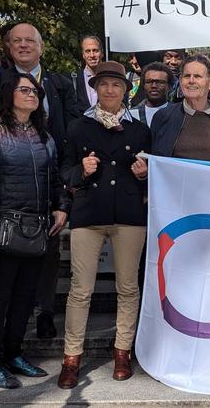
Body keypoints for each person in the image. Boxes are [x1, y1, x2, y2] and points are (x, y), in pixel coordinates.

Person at [0, 22, 80, 339]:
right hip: (6, 197)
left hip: (49, 180)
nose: (23, 45)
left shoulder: (60, 83)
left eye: (30, 41)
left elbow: (73, 129)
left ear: (41, 47)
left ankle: (44, 311)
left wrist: (65, 191)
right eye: (17, 41)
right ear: (9, 47)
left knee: (48, 253)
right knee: (5, 277)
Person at [0, 72, 69, 389]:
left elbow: (54, 178)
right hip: (4, 228)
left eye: (34, 91)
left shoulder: (44, 136)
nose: (30, 94)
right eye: (23, 89)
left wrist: (61, 205)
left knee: (25, 296)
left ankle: (14, 353)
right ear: (8, 94)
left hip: (37, 228)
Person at [57, 61, 151, 388]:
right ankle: (71, 357)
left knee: (128, 287)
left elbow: (154, 175)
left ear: (126, 90)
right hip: (88, 213)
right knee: (80, 289)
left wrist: (145, 175)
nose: (110, 90)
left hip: (128, 214)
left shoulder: (140, 131)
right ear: (95, 88)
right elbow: (64, 172)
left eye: (116, 85)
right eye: (104, 84)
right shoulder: (77, 127)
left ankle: (122, 351)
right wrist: (81, 171)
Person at [150, 54, 210, 162]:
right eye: (187, 76)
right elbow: (154, 161)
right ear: (180, 81)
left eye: (197, 76)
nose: (191, 81)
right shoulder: (163, 117)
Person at [129, 61, 173, 126]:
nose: (154, 86)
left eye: (160, 82)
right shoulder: (131, 115)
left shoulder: (179, 114)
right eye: (149, 82)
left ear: (169, 86)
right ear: (143, 85)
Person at [72, 35, 104, 112]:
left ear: (102, 53)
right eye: (88, 51)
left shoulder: (112, 79)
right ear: (83, 55)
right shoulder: (73, 80)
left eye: (95, 50)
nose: (92, 55)